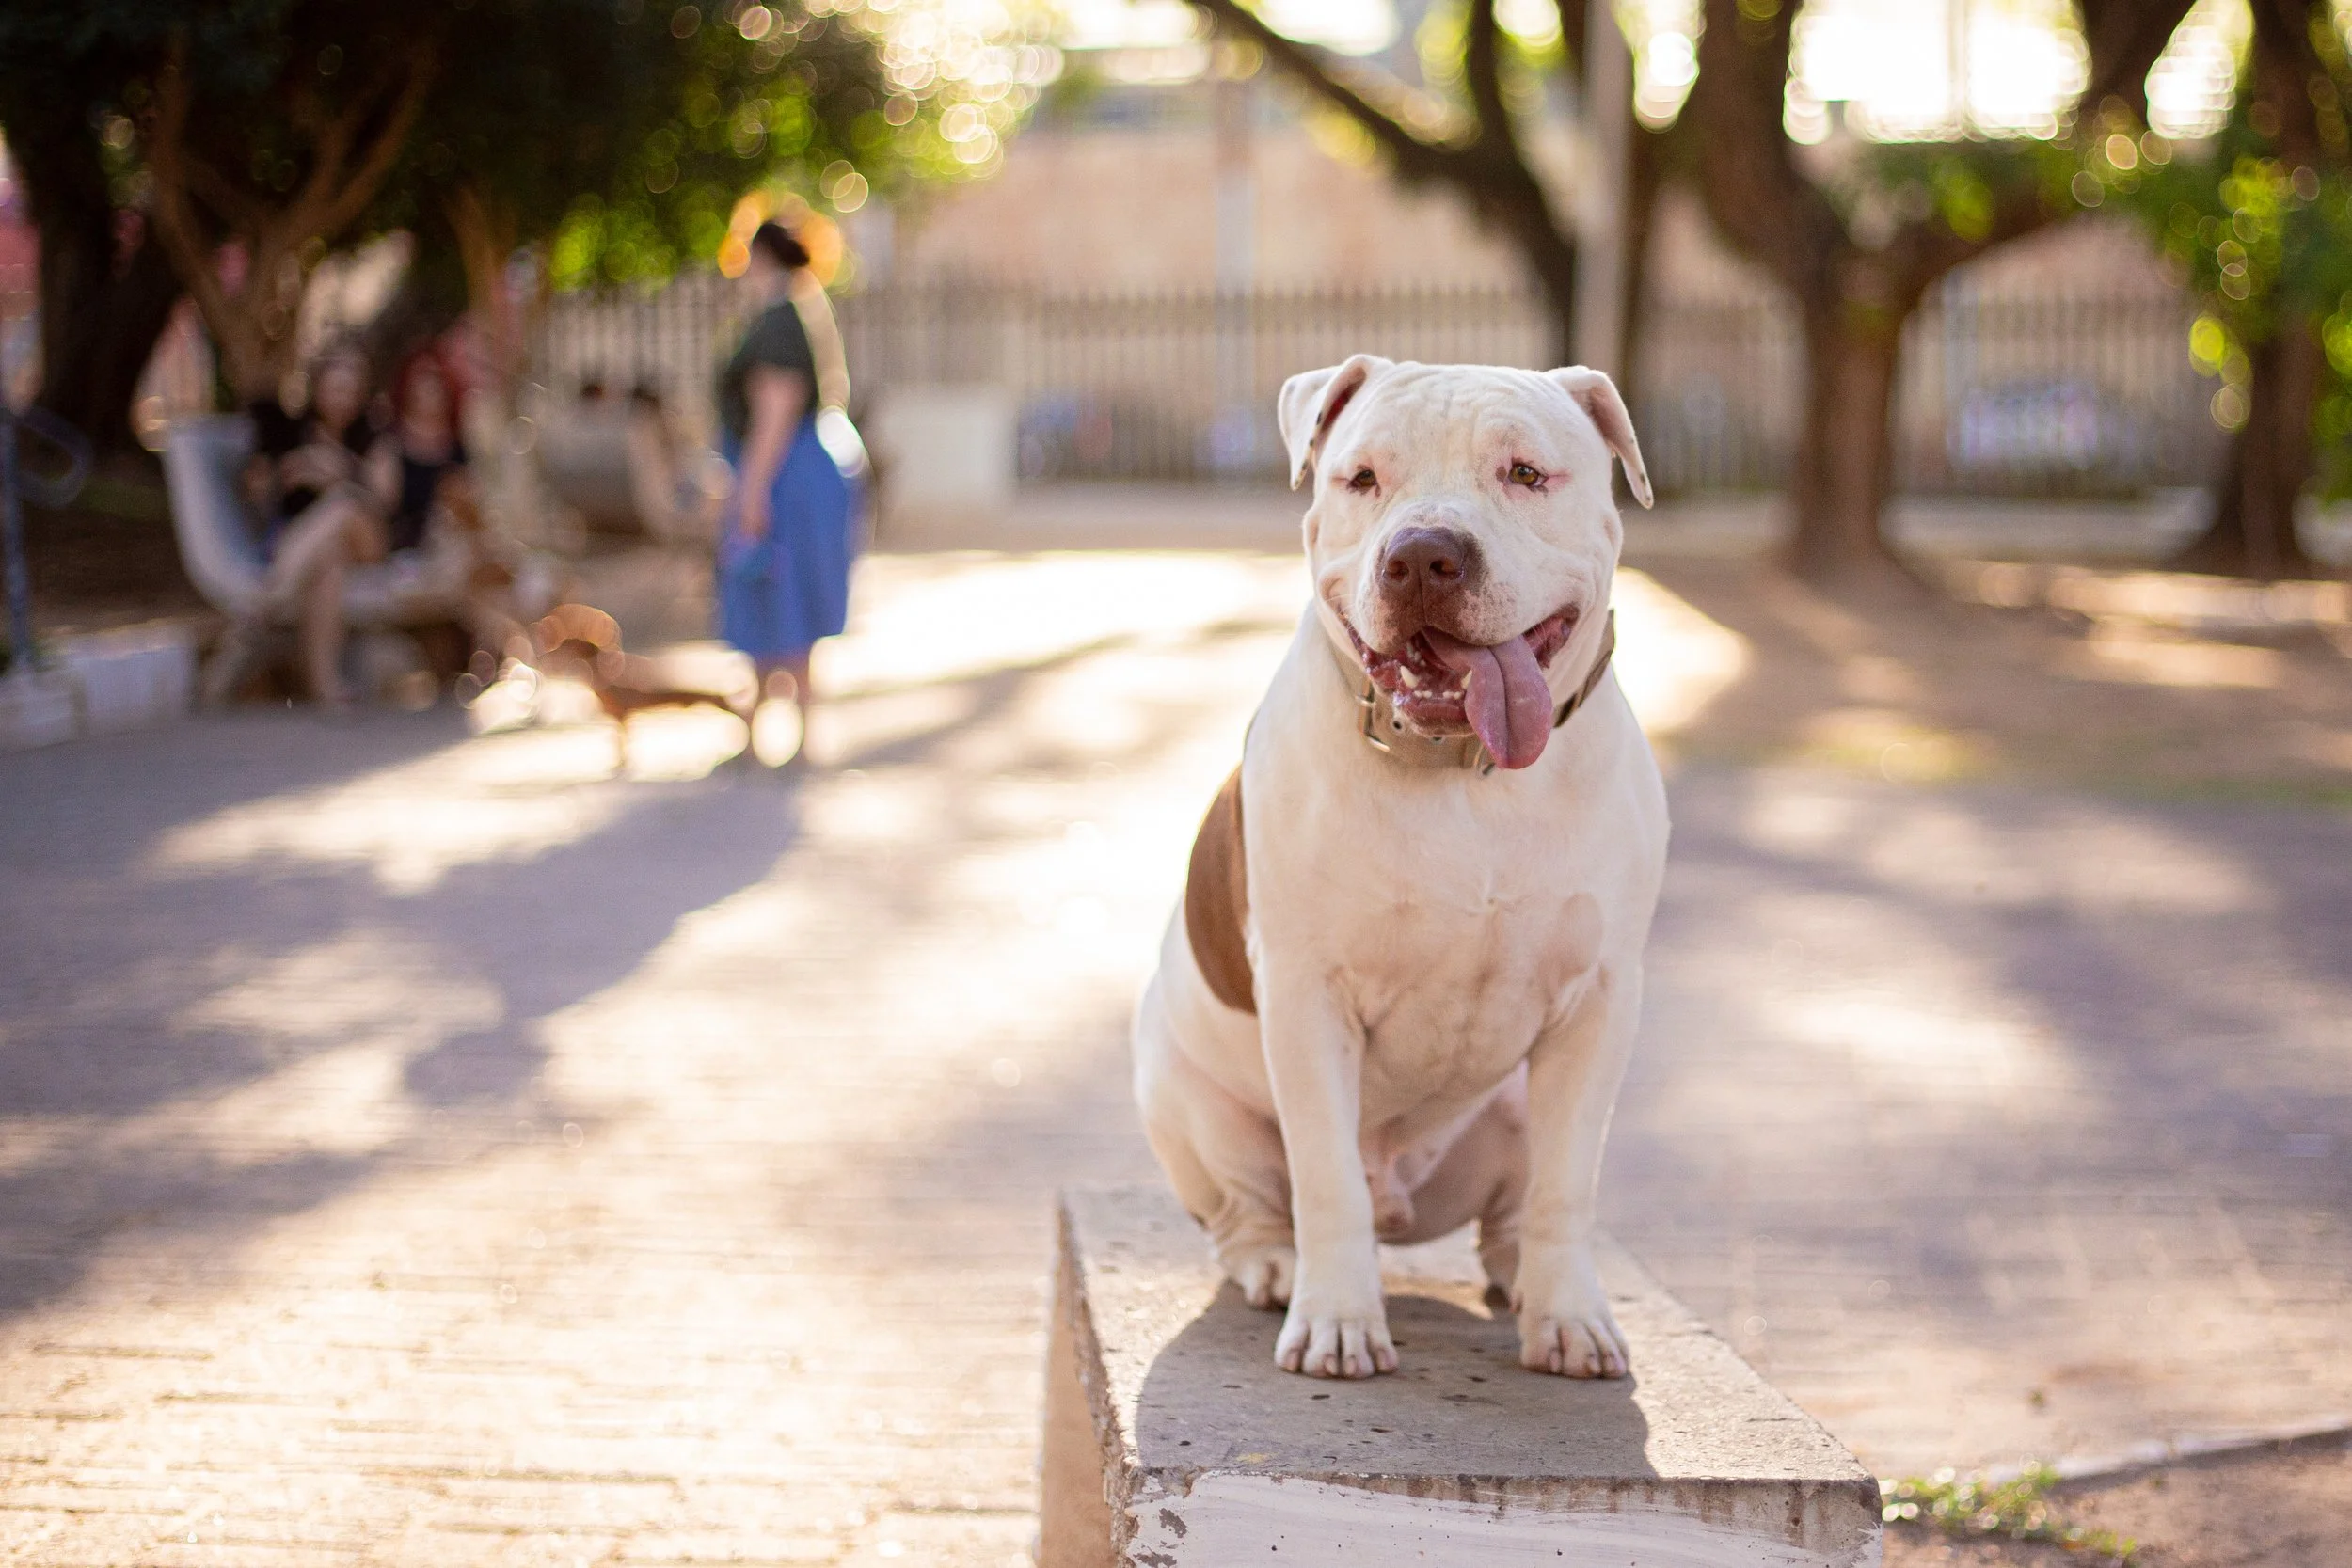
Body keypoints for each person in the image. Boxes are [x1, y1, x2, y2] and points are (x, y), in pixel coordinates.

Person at [714, 220, 861, 756]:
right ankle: (777, 734)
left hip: (781, 478)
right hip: (793, 475)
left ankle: (782, 738)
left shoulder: (779, 320)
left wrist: (750, 490)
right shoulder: (798, 311)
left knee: (777, 596)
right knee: (781, 597)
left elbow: (775, 410)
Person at [237, 344, 384, 706]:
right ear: (317, 389)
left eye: (351, 390)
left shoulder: (374, 437)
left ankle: (274, 590)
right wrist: (286, 472)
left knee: (343, 504)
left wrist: (339, 472)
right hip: (316, 546)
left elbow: (384, 503)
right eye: (336, 389)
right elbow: (256, 492)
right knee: (329, 567)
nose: (344, 399)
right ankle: (326, 685)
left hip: (370, 540)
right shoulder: (291, 434)